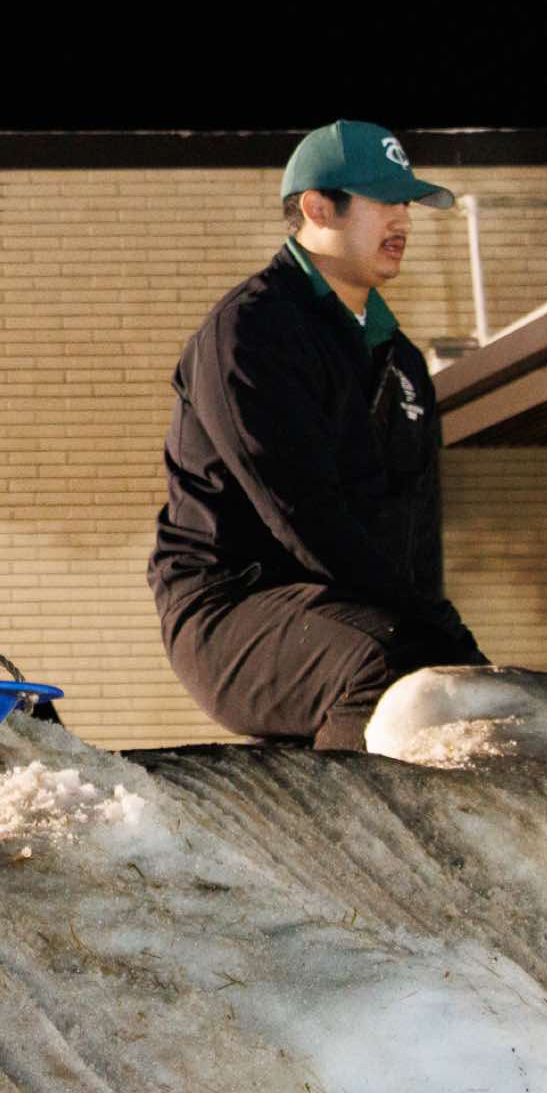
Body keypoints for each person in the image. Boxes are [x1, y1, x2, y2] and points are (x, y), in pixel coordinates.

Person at [148, 119, 486, 751]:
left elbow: (415, 530)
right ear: (317, 208)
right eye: (384, 200)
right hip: (229, 607)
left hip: (351, 608)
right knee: (394, 663)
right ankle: (351, 816)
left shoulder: (402, 362)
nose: (403, 219)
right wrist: (429, 631)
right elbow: (302, 514)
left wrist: (452, 640)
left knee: (460, 679)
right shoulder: (251, 332)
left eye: (409, 203)